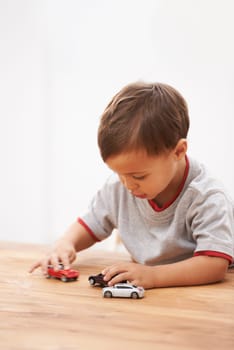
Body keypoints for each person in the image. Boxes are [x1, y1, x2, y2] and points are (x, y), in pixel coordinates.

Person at [29, 82, 234, 289]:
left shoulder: (207, 197)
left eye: (139, 176)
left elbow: (214, 265)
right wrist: (65, 243)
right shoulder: (119, 186)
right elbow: (90, 223)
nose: (128, 185)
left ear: (178, 151)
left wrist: (153, 276)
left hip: (201, 298)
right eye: (118, 174)